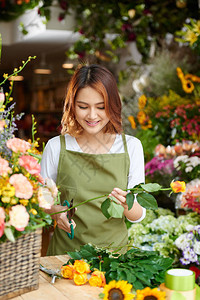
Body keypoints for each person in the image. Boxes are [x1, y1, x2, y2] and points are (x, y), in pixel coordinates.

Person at [40, 64, 146, 255]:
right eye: (83, 106)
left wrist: (127, 205)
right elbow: (41, 201)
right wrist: (55, 211)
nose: (92, 115)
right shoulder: (56, 147)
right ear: (72, 105)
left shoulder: (131, 146)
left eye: (101, 107)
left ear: (113, 105)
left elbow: (138, 215)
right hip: (65, 257)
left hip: (114, 261)